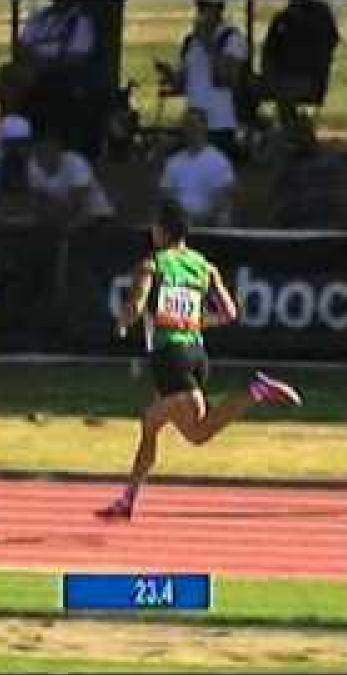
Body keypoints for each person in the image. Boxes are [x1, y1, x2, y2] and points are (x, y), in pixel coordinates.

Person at [96, 202, 303, 520]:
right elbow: (229, 313)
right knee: (153, 424)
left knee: (194, 433)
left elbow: (137, 305)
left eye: (154, 227)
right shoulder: (203, 266)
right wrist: (192, 321)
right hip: (196, 354)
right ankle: (127, 500)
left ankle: (255, 392)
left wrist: (122, 323)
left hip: (169, 357)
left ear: (162, 231)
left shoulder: (152, 264)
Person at [155, 0, 249, 164]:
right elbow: (182, 84)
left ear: (219, 9)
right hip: (193, 123)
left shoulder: (231, 39)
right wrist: (169, 74)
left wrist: (208, 42)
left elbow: (225, 79)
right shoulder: (192, 42)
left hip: (219, 125)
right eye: (200, 7)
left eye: (206, 7)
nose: (201, 12)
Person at [12, 0, 104, 160]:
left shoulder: (80, 22)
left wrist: (44, 63)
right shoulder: (40, 18)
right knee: (9, 76)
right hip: (34, 72)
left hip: (62, 76)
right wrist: (33, 62)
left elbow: (77, 58)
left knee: (49, 86)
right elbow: (22, 46)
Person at [260, 0, 340, 123]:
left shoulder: (287, 18)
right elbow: (333, 40)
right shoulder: (322, 14)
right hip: (311, 81)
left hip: (289, 80)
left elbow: (269, 48)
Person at [159, 107, 236, 228]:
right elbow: (167, 194)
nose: (191, 128)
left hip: (210, 222)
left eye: (195, 124)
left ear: (204, 127)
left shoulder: (219, 161)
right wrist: (183, 217)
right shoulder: (173, 162)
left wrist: (201, 219)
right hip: (180, 222)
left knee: (224, 217)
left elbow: (223, 198)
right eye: (187, 124)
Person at [28, 126, 115, 229]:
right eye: (38, 150)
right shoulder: (33, 166)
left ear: (58, 148)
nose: (43, 153)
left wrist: (57, 218)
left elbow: (76, 202)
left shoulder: (76, 162)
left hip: (97, 217)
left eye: (47, 148)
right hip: (62, 220)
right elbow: (38, 201)